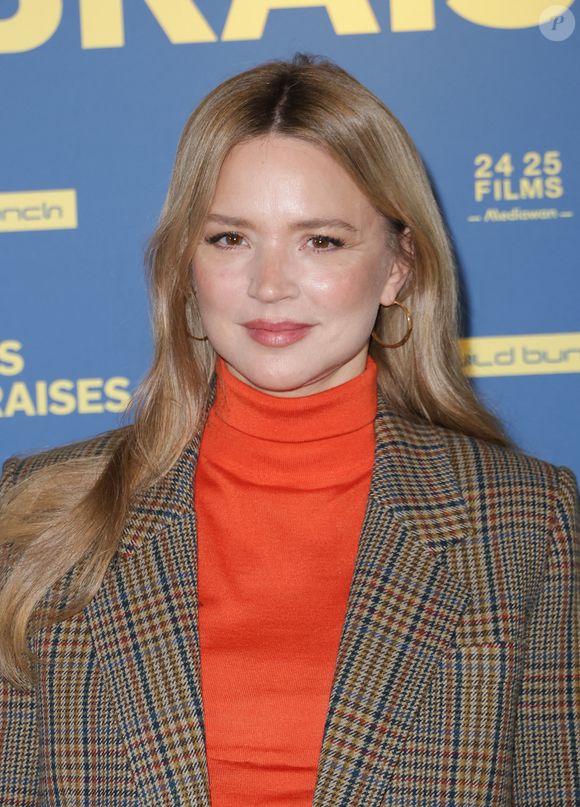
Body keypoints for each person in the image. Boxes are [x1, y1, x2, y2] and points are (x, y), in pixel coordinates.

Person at [0, 54, 578, 807]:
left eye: (322, 241)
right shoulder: (39, 511)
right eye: (230, 238)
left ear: (399, 266)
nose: (269, 284)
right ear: (186, 262)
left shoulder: (526, 523)